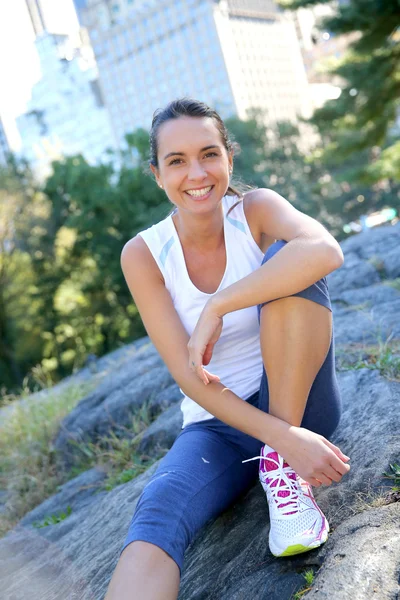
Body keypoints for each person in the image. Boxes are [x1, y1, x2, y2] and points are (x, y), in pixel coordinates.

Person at [105, 98, 351, 600]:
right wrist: (279, 436)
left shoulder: (255, 210)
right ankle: (275, 452)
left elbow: (325, 250)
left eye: (208, 154)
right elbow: (189, 376)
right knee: (158, 512)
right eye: (176, 161)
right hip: (218, 426)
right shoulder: (144, 255)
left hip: (300, 403)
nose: (196, 173)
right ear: (157, 175)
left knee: (289, 261)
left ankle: (282, 475)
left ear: (228, 159)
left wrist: (219, 304)